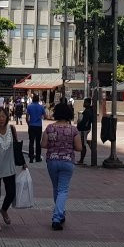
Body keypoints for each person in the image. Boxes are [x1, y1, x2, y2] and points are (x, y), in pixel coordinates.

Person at [41, 101, 82, 230]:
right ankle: (57, 217)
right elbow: (79, 148)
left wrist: (54, 146)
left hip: (52, 161)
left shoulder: (50, 128)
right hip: (67, 161)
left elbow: (43, 144)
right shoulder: (73, 130)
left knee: (56, 188)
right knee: (63, 189)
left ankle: (61, 212)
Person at [25, 93, 46, 163]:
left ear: (33, 99)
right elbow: (45, 116)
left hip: (31, 125)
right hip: (39, 126)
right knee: (38, 142)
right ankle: (37, 157)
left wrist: (29, 124)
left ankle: (31, 158)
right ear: (38, 100)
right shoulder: (41, 107)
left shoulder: (29, 107)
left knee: (31, 142)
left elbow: (27, 117)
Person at [76, 97, 94, 165]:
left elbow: (85, 122)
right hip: (84, 129)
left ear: (89, 103)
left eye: (85, 102)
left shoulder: (88, 111)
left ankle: (81, 160)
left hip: (84, 129)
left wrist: (79, 126)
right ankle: (89, 142)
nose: (84, 104)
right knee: (83, 143)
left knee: (83, 145)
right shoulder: (88, 110)